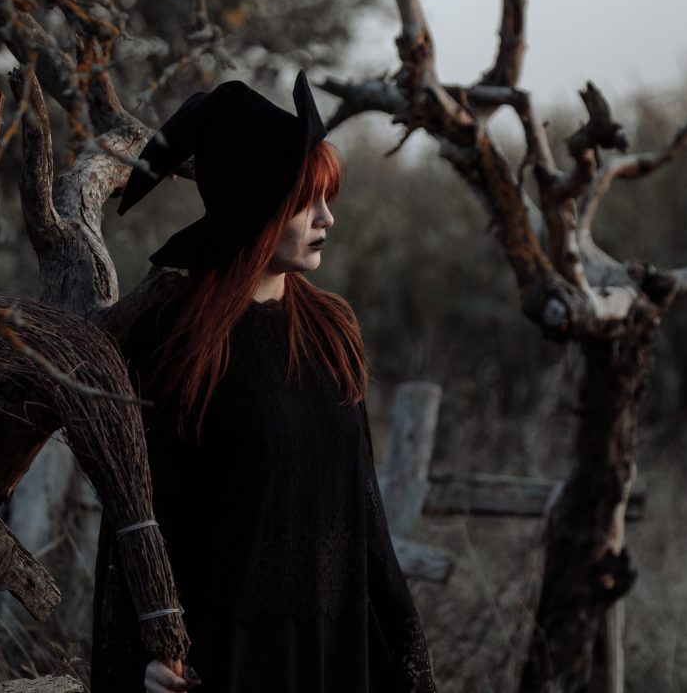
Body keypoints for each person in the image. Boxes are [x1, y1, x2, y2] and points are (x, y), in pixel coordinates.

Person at [90, 74, 438, 692]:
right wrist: (144, 651)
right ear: (258, 205)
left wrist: (404, 654)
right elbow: (138, 514)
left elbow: (363, 511)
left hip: (337, 653)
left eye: (327, 197)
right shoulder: (172, 342)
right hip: (228, 658)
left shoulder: (331, 329)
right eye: (307, 201)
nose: (327, 216)